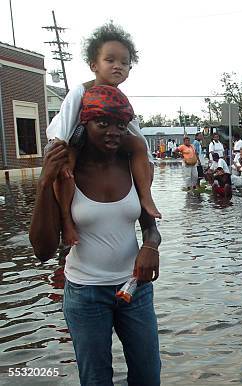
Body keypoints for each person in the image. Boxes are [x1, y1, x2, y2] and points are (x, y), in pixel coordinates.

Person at [30, 86, 161, 385]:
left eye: (120, 124)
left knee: (148, 377)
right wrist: (43, 182)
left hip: (135, 289)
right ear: (83, 124)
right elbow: (42, 250)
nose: (113, 132)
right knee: (96, 379)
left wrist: (151, 245)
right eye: (103, 123)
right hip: (85, 294)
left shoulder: (130, 165)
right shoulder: (65, 174)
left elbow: (150, 226)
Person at [46, 23, 160, 247]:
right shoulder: (80, 91)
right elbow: (63, 131)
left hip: (101, 141)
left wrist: (148, 161)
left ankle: (145, 197)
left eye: (124, 63)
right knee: (66, 168)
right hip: (73, 138)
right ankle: (67, 220)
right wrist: (61, 161)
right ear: (94, 65)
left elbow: (135, 132)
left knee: (138, 146)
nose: (118, 66)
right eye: (110, 60)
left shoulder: (120, 98)